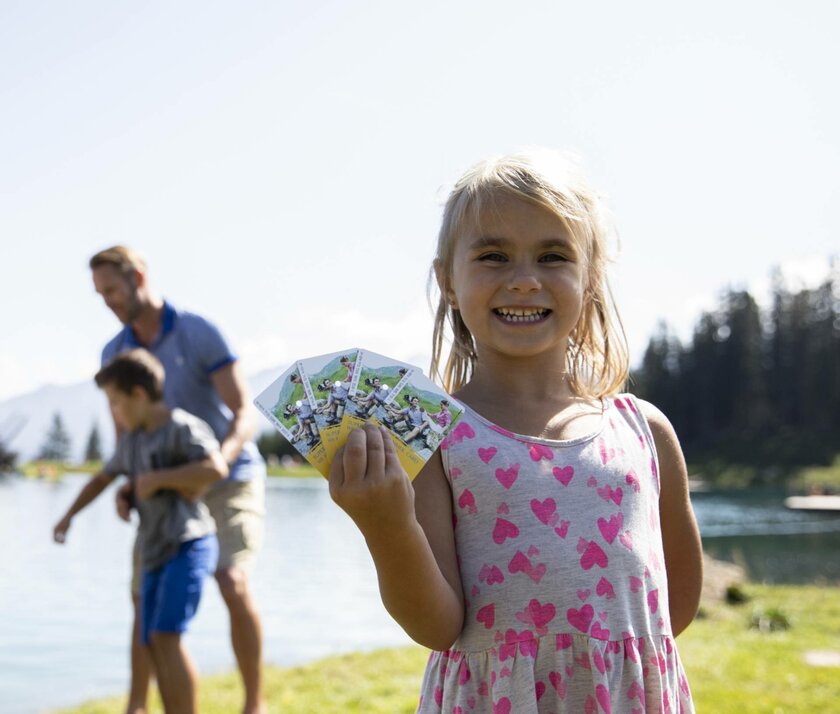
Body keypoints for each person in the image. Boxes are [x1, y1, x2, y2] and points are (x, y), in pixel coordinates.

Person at [328, 149, 703, 712]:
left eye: (553, 256)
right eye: (493, 256)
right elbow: (436, 624)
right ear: (447, 282)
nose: (524, 280)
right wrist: (385, 525)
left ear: (591, 277)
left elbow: (674, 607)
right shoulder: (438, 438)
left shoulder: (645, 432)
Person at [85, 245, 266, 714]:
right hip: (163, 490)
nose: (107, 301)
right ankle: (137, 706)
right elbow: (126, 437)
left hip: (228, 476)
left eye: (111, 290)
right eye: (99, 294)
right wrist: (128, 485)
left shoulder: (197, 331)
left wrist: (218, 462)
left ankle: (254, 705)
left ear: (138, 276)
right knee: (141, 597)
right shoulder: (115, 352)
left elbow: (244, 412)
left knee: (232, 580)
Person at [54, 349, 225, 714]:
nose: (113, 412)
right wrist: (68, 516)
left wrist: (156, 480)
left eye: (116, 403)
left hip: (188, 543)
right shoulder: (132, 441)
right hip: (153, 550)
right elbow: (102, 478)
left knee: (167, 635)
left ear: (139, 395)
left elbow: (216, 468)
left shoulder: (182, 427)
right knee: (151, 640)